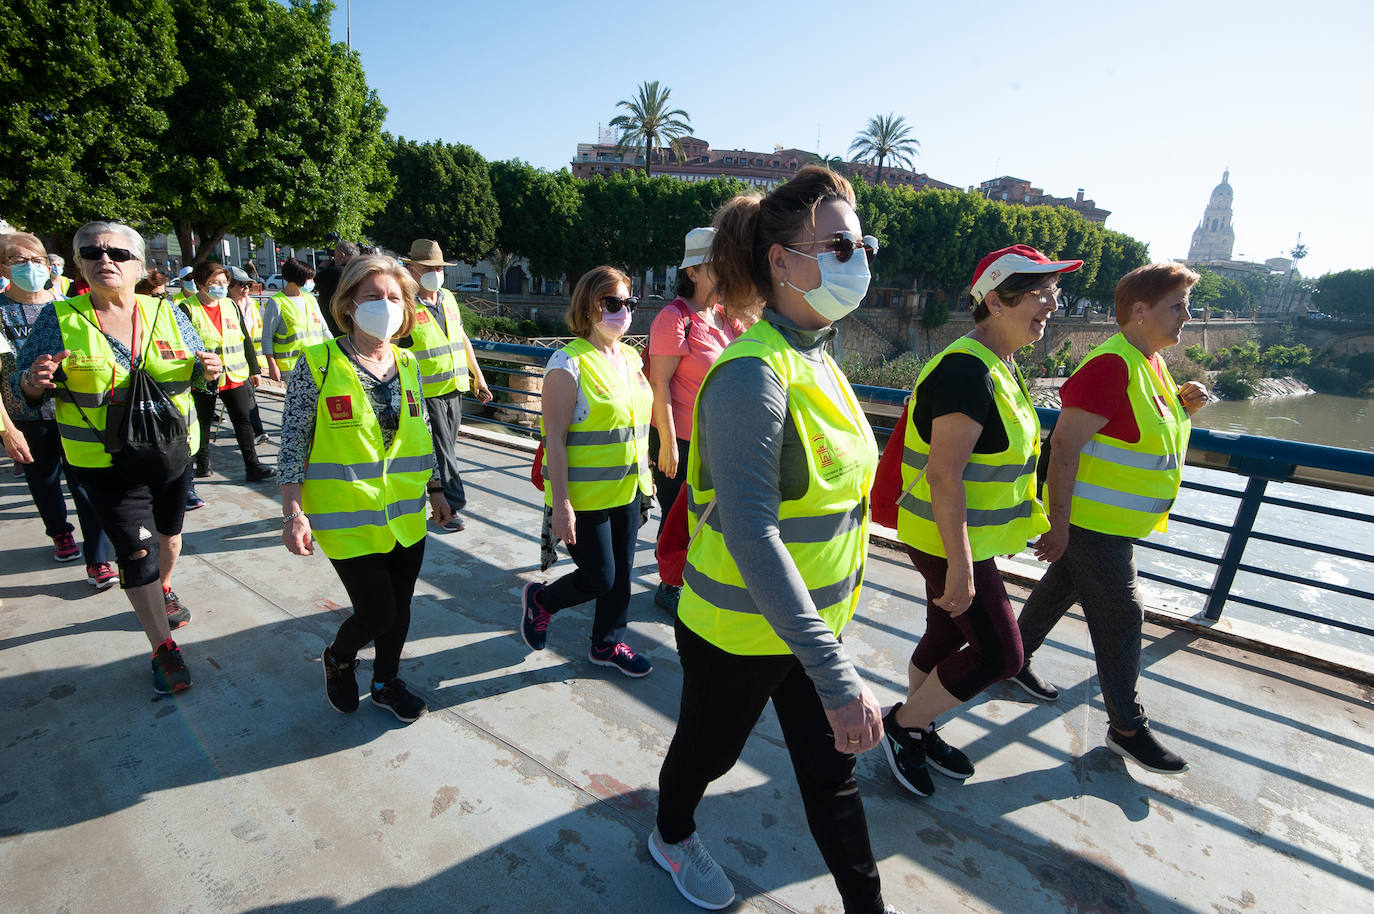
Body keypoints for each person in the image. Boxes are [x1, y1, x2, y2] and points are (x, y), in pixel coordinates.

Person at [649, 167, 895, 914]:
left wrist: (825, 653)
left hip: (807, 627)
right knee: (708, 754)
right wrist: (837, 676)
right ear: (783, 262)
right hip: (737, 632)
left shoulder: (819, 356)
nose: (859, 259)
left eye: (862, 244)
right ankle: (670, 833)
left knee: (831, 776)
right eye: (841, 245)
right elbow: (753, 533)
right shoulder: (751, 374)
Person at [880, 244, 1080, 798]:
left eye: (1054, 291)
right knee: (1002, 654)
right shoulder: (966, 371)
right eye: (1039, 292)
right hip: (946, 539)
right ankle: (904, 725)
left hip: (963, 536)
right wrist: (963, 567)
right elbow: (945, 476)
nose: (1051, 303)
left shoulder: (998, 364)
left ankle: (918, 724)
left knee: (946, 633)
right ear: (995, 300)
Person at [1012, 262, 1207, 775]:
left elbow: (1134, 430)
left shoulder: (1149, 363)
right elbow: (1063, 446)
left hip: (1111, 524)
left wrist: (1184, 405)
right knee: (1124, 616)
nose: (1188, 316)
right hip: (1092, 525)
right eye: (1178, 306)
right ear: (1140, 311)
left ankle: (1010, 659)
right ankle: (1126, 727)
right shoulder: (1111, 365)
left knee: (1062, 586)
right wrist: (1058, 525)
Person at [12, 221, 223, 693]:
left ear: (140, 266)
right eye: (92, 252)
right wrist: (32, 382)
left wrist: (208, 370)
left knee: (169, 539)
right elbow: (20, 388)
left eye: (118, 253)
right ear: (79, 263)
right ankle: (163, 649)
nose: (105, 259)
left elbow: (198, 374)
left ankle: (163, 588)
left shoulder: (167, 312)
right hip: (104, 464)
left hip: (171, 453)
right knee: (138, 551)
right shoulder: (59, 318)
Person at [279, 254, 451, 723]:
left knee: (401, 608)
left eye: (394, 297)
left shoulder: (409, 363)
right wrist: (293, 513)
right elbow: (293, 442)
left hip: (405, 515)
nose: (385, 305)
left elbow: (421, 433)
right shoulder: (317, 363)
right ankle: (338, 657)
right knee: (377, 612)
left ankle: (385, 682)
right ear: (348, 304)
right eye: (373, 296)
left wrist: (436, 489)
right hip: (347, 518)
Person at [520, 266, 655, 679]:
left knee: (623, 575)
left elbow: (634, 421)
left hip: (629, 486)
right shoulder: (568, 363)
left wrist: (648, 470)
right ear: (588, 305)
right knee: (600, 576)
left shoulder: (630, 357)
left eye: (628, 302)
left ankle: (607, 643)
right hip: (584, 495)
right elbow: (555, 440)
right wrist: (561, 504)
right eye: (612, 303)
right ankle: (542, 601)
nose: (623, 311)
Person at [0, 232, 116, 588]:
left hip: (77, 410)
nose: (32, 267)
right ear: (3, 268)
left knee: (88, 483)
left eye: (37, 260)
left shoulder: (70, 307)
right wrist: (7, 429)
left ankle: (99, 558)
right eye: (20, 261)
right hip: (26, 415)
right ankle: (60, 531)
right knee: (44, 480)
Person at [645, 226, 740, 613]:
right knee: (677, 517)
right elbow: (659, 383)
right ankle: (669, 585)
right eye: (717, 266)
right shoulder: (674, 317)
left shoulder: (725, 317)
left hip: (717, 439)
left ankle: (694, 580)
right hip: (680, 439)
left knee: (707, 516)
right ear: (693, 272)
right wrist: (668, 444)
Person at [400, 239, 492, 533]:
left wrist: (477, 375)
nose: (435, 273)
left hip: (455, 387)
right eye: (428, 268)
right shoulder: (405, 305)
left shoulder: (448, 298)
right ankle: (451, 507)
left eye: (439, 268)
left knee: (445, 449)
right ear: (412, 270)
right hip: (425, 392)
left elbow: (462, 339)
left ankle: (428, 500)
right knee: (442, 452)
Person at [179, 261, 274, 481]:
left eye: (224, 282)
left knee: (243, 420)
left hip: (234, 375)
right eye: (215, 282)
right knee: (202, 422)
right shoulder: (187, 309)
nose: (221, 287)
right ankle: (203, 464)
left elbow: (245, 338)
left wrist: (254, 369)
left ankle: (253, 466)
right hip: (204, 378)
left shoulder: (230, 305)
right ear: (201, 283)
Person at [261, 257, 328, 382]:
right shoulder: (276, 303)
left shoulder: (310, 299)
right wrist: (272, 364)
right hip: (291, 367)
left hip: (316, 362)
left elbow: (324, 330)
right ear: (298, 278)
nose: (312, 282)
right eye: (309, 278)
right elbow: (267, 337)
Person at [227, 266, 271, 443]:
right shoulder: (225, 306)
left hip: (250, 359)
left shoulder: (252, 305)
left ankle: (257, 431)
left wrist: (256, 367)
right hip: (231, 360)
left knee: (249, 395)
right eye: (241, 284)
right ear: (230, 286)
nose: (245, 288)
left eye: (248, 285)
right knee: (242, 399)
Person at [313, 240, 357, 335]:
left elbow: (315, 281)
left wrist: (322, 267)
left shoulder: (335, 272)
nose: (334, 258)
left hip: (335, 325)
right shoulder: (359, 270)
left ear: (342, 255)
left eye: (335, 255)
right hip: (356, 323)